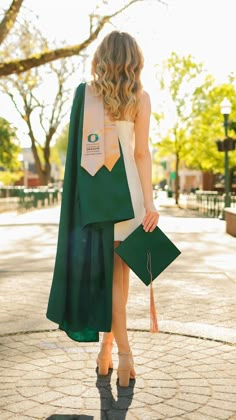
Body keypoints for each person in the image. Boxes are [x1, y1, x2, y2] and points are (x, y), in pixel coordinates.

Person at [46, 31, 159, 388]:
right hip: (130, 198)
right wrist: (150, 203)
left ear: (102, 58)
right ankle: (109, 356)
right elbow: (141, 153)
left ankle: (119, 354)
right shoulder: (141, 98)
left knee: (111, 283)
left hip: (98, 199)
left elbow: (76, 157)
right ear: (134, 61)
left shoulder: (86, 95)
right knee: (118, 284)